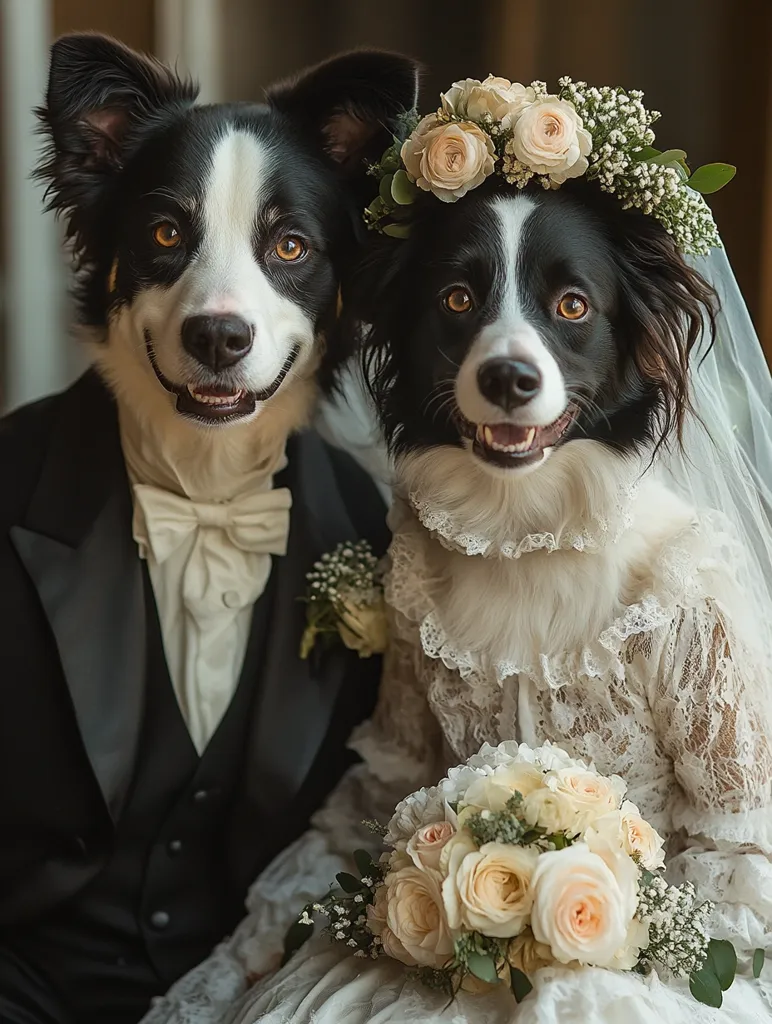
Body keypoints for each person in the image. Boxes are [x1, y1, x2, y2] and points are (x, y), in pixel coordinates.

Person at [142, 73, 772, 1024]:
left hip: (640, 980)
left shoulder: (677, 581)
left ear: (632, 335)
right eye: (461, 298)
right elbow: (385, 791)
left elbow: (743, 856)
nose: (508, 355)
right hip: (432, 960)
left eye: (567, 307)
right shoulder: (421, 564)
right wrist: (240, 962)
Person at [0, 34, 418, 1024]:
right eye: (168, 239)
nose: (221, 314)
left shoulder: (368, 527)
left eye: (285, 247)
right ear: (106, 249)